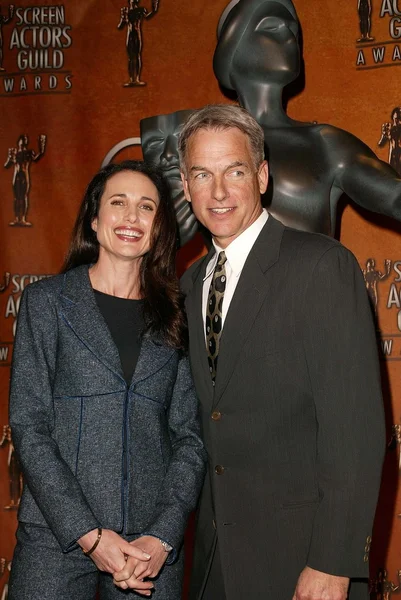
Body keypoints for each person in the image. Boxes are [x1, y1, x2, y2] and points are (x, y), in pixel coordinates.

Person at [178, 104, 385, 600]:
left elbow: (354, 431)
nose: (219, 191)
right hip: (214, 564)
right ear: (185, 187)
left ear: (263, 176)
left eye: (235, 171)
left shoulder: (321, 267)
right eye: (203, 174)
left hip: (302, 564)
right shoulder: (189, 284)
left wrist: (332, 563)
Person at [8, 160, 206, 599]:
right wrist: (89, 535)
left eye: (146, 207)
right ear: (95, 220)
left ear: (160, 229)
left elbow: (189, 438)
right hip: (55, 538)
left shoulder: (178, 317)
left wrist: (164, 535)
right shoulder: (45, 304)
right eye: (118, 203)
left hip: (148, 548)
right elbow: (30, 426)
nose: (131, 217)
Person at [213, 0, 401, 235]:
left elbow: (394, 196)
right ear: (232, 51)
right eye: (272, 27)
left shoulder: (326, 143)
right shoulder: (200, 146)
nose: (290, 37)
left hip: (312, 272)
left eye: (292, 30)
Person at [4, 134, 46, 227]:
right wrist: (9, 158)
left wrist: (41, 150)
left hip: (24, 176)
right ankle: (16, 218)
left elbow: (36, 159)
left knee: (23, 197)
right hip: (16, 176)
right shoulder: (14, 152)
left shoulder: (28, 153)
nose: (24, 141)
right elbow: (6, 165)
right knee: (16, 198)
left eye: (26, 139)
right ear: (19, 141)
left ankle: (22, 218)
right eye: (23, 139)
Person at [117, 0, 160, 87]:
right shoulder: (126, 11)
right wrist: (123, 18)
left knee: (136, 56)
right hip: (130, 35)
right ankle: (131, 79)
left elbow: (147, 17)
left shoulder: (140, 10)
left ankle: (136, 78)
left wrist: (154, 9)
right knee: (130, 57)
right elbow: (120, 26)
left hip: (136, 34)